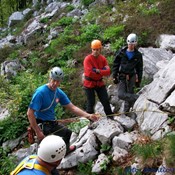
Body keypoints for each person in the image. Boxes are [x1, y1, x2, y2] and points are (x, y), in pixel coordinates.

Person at [27, 67, 99, 153]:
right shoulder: (40, 93)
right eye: (53, 80)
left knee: (67, 133)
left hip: (51, 122)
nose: (55, 83)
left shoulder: (58, 93)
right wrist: (38, 132)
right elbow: (30, 113)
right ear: (50, 78)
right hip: (41, 124)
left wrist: (88, 115)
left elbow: (72, 107)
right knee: (45, 148)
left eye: (58, 81)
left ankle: (65, 151)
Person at [112, 33, 143, 115]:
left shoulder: (138, 55)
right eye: (129, 44)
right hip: (122, 76)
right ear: (127, 43)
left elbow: (139, 69)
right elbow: (116, 64)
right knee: (121, 94)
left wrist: (138, 81)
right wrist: (114, 76)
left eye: (132, 44)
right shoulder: (121, 53)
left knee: (129, 94)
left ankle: (126, 112)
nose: (131, 46)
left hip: (132, 76)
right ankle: (137, 98)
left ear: (135, 43)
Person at [83, 39, 113, 118]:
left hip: (99, 83)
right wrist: (102, 71)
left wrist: (97, 71)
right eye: (94, 49)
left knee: (105, 100)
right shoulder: (87, 59)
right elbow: (89, 73)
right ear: (91, 49)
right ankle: (89, 120)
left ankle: (110, 117)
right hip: (89, 84)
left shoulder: (102, 59)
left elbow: (108, 71)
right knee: (91, 102)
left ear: (100, 49)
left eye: (97, 49)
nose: (95, 51)